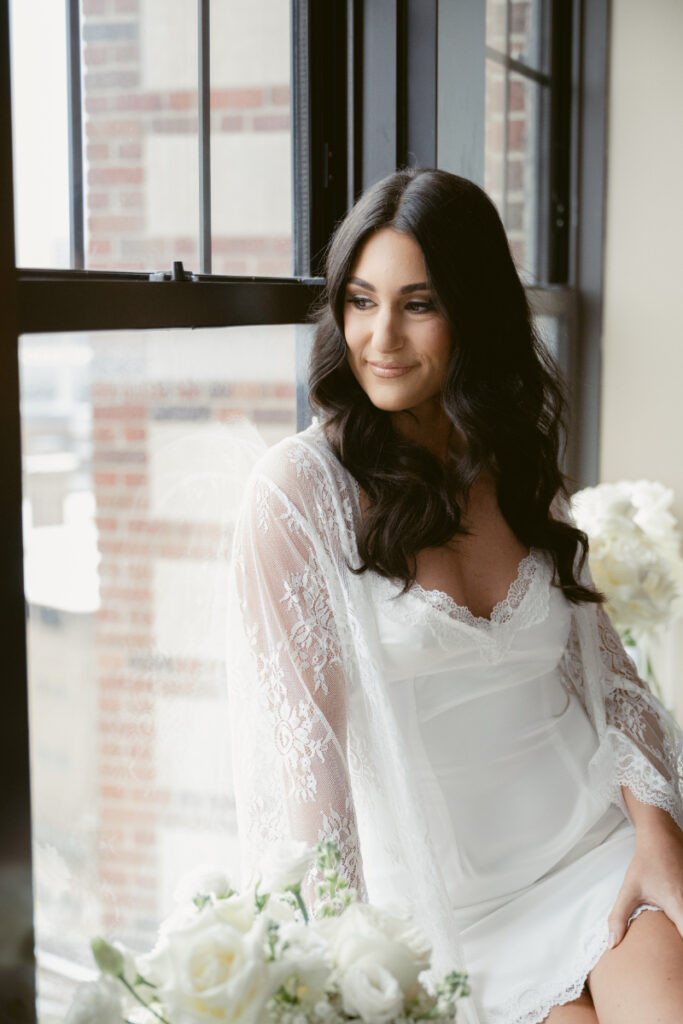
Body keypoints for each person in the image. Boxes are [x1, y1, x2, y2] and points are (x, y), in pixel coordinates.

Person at [226, 168, 683, 1024]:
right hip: (445, 922)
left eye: (417, 304)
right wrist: (353, 979)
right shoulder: (296, 494)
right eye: (360, 301)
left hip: (598, 856)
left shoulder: (504, 458)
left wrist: (658, 836)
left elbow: (613, 683)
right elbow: (310, 788)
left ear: (471, 309)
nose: (380, 337)